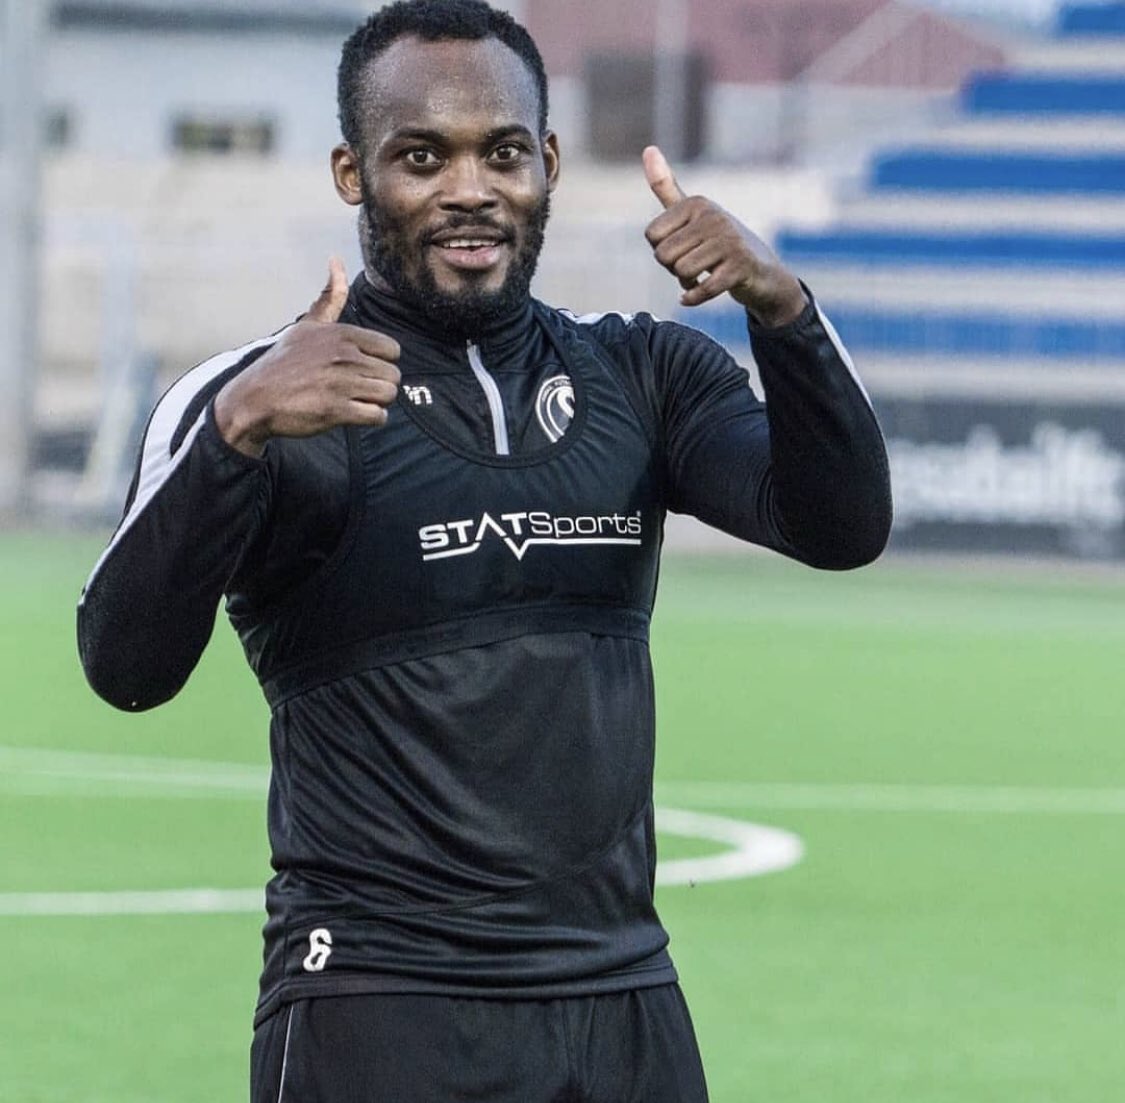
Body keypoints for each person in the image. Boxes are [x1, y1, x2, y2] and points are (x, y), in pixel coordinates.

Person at [77, 1, 892, 1099]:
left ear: (547, 164)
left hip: (623, 999)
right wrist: (231, 436)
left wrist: (783, 312)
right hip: (377, 1000)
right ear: (353, 173)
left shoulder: (644, 377)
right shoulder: (266, 398)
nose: (470, 188)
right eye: (423, 157)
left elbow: (841, 528)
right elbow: (125, 668)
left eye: (502, 153)